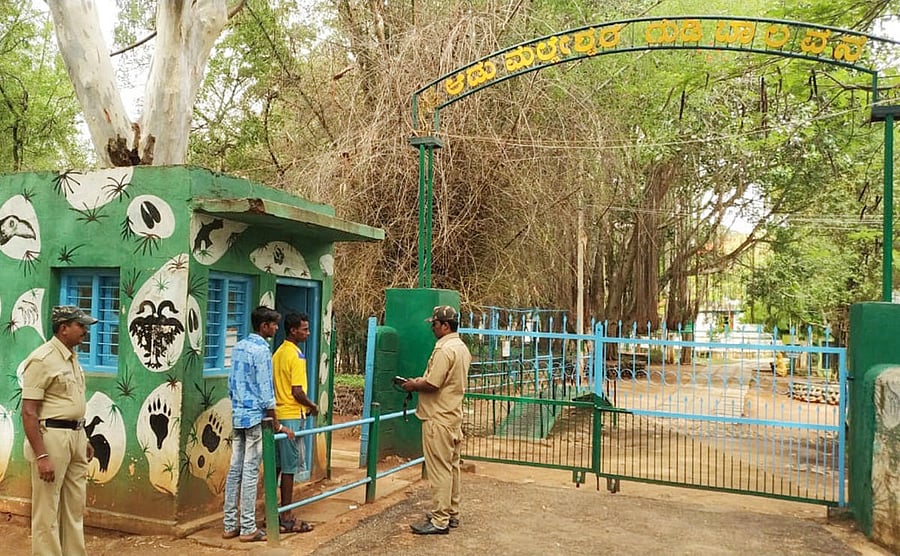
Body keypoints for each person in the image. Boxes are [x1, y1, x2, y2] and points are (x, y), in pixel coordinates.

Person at [20, 305, 98, 556]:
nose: (85, 331)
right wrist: (42, 456)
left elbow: (71, 404)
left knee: (75, 507)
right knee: (47, 509)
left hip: (75, 436)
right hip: (51, 438)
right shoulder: (42, 359)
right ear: (63, 328)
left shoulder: (72, 357)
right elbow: (29, 411)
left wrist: (82, 436)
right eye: (81, 325)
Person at [223, 306, 294, 543]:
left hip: (238, 415)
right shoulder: (262, 350)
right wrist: (276, 422)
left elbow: (231, 383)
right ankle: (248, 528)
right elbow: (266, 391)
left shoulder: (240, 346)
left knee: (235, 470)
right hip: (256, 417)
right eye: (273, 325)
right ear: (264, 326)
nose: (276, 328)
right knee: (251, 471)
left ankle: (230, 524)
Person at [402, 305, 471, 535]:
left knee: (439, 469)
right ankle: (452, 512)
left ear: (445, 325)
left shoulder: (444, 350)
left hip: (437, 418)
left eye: (434, 324)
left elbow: (433, 384)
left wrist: (413, 385)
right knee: (452, 467)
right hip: (452, 415)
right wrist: (422, 380)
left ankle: (440, 519)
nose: (432, 328)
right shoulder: (461, 348)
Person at [272, 312, 318, 534]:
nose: (307, 333)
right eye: (305, 329)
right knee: (290, 468)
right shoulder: (296, 356)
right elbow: (297, 391)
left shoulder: (278, 353)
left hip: (278, 415)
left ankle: (274, 511)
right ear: (293, 330)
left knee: (278, 466)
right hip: (291, 412)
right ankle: (286, 514)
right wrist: (312, 406)